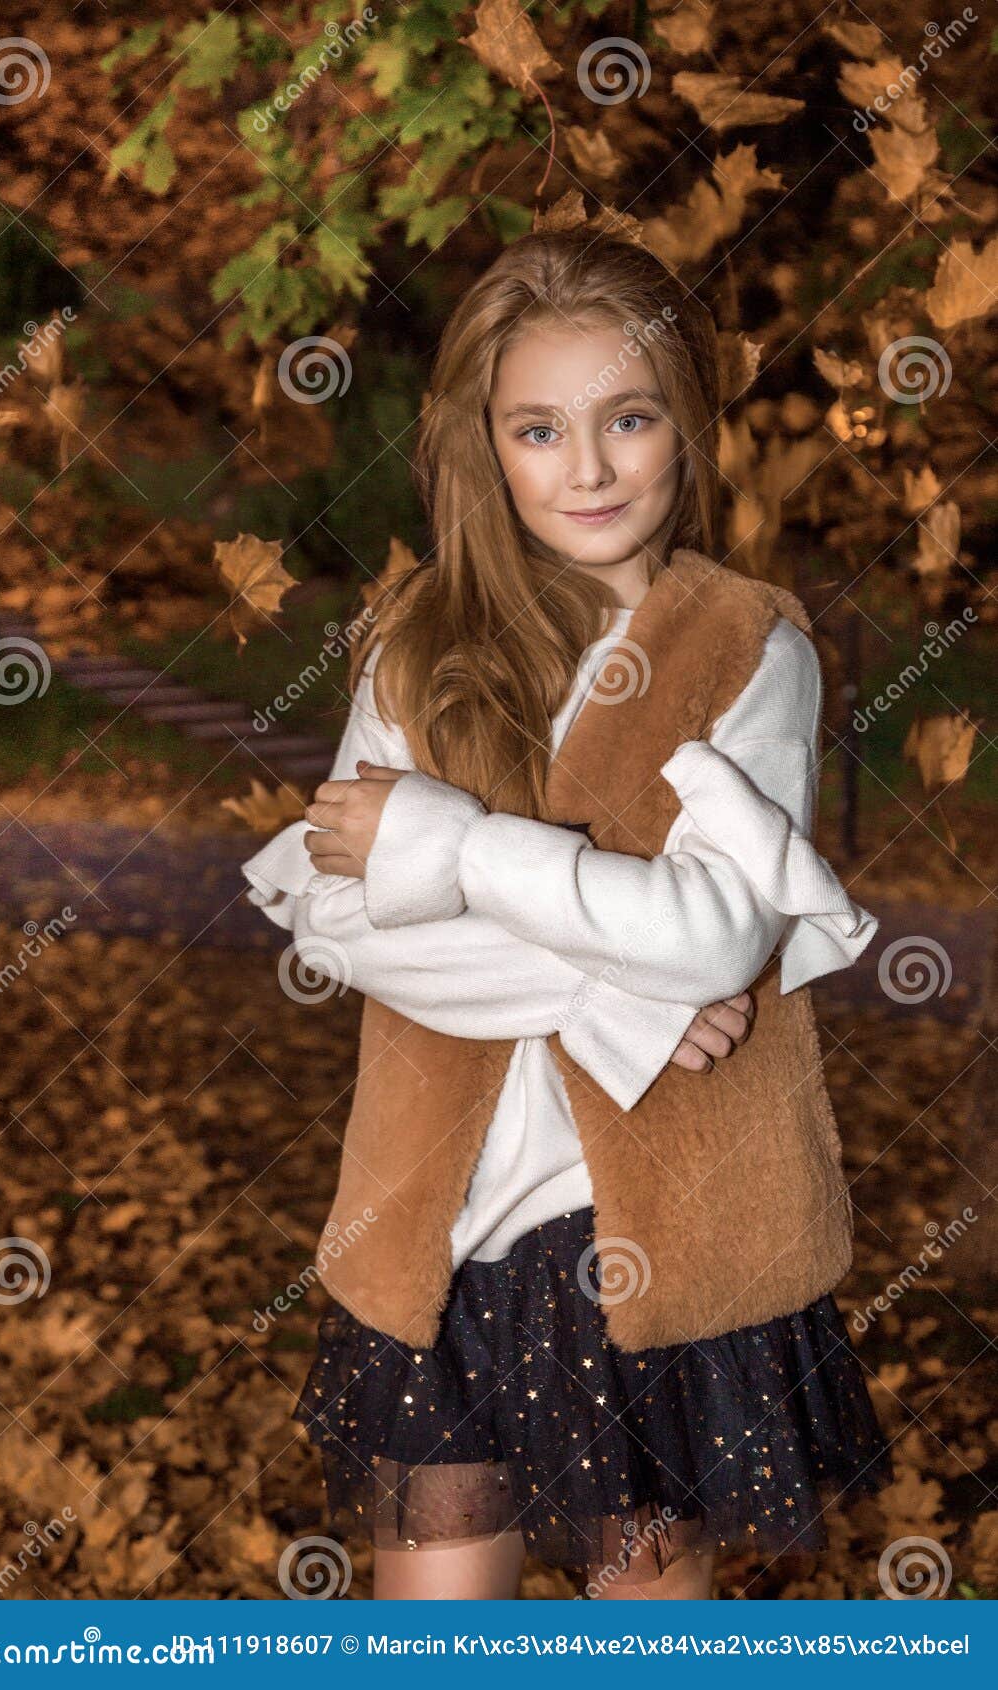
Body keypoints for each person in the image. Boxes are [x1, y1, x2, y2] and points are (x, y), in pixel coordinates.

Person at [241, 231, 892, 1601]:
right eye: (541, 428)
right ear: (489, 442)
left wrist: (449, 846)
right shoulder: (419, 635)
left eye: (628, 418)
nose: (588, 469)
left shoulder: (749, 648)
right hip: (443, 1237)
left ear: (686, 430)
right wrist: (617, 989)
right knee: (435, 1634)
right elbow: (338, 919)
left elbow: (718, 937)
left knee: (644, 1623)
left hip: (661, 1251)